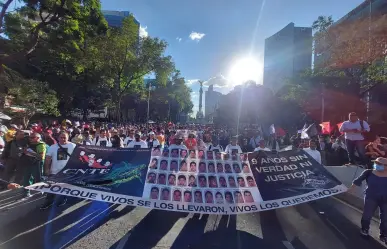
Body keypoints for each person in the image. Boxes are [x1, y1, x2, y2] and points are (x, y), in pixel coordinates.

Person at [349, 157, 387, 243]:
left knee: (385, 218)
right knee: (367, 215)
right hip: (371, 198)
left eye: (380, 164)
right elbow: (357, 181)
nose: (376, 165)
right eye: (376, 163)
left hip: (385, 199)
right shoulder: (368, 172)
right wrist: (351, 189)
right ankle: (364, 229)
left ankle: (384, 234)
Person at [41, 131, 76, 209]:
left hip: (67, 172)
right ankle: (48, 202)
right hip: (54, 171)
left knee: (65, 187)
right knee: (51, 188)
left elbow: (77, 158)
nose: (63, 139)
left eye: (65, 137)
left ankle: (62, 199)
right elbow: (47, 159)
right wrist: (46, 169)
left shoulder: (73, 146)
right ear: (58, 137)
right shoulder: (52, 147)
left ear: (68, 138)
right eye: (61, 137)